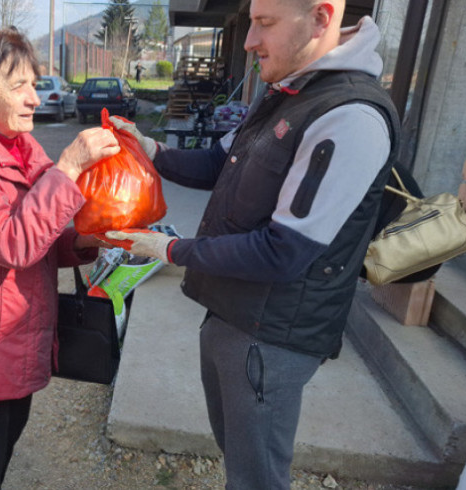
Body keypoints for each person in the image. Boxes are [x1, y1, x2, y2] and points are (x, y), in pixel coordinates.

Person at [107, 1, 401, 488]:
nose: (248, 41)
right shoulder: (288, 91)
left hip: (271, 336)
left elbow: (283, 251)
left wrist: (169, 250)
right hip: (233, 312)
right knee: (238, 457)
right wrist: (147, 146)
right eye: (250, 22)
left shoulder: (350, 116)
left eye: (264, 24)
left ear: (322, 17)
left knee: (256, 476)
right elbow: (216, 165)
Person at [0, 27, 120, 488]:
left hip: (19, 338)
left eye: (34, 84)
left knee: (4, 449)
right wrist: (69, 167)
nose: (34, 98)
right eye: (18, 86)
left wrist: (91, 240)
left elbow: (43, 235)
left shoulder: (23, 147)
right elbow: (11, 244)